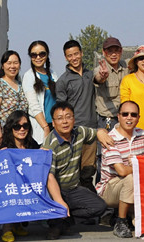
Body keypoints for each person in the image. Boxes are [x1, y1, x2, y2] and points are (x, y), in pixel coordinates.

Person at [42, 102, 108, 239]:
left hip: (73, 188)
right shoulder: (50, 145)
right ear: (53, 123)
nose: (65, 121)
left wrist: (102, 133)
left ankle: (66, 221)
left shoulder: (79, 132)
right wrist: (60, 201)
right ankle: (56, 222)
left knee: (99, 206)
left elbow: (96, 133)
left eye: (68, 117)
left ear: (74, 119)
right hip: (54, 190)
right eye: (59, 118)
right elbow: (49, 177)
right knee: (58, 209)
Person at [96, 101, 144, 238]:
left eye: (133, 114)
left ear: (138, 118)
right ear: (118, 117)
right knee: (130, 178)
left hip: (131, 186)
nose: (129, 117)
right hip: (109, 189)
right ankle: (121, 221)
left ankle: (134, 216)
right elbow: (122, 171)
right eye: (125, 114)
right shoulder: (110, 138)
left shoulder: (143, 135)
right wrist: (139, 165)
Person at [56, 40, 98, 190]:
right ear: (66, 58)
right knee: (73, 171)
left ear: (81, 53)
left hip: (92, 129)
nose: (74, 58)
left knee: (88, 170)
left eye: (76, 54)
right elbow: (61, 109)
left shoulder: (91, 75)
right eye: (70, 56)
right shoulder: (63, 81)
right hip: (74, 131)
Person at [0, 111, 41, 242]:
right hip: (8, 187)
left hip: (28, 184)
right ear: (10, 127)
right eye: (17, 126)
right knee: (12, 191)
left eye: (25, 126)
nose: (22, 129)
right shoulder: (4, 145)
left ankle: (17, 224)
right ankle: (7, 229)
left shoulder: (32, 144)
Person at [0, 50, 29, 141]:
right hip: (3, 136)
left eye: (15, 63)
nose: (12, 66)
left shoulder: (21, 85)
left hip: (19, 135)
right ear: (3, 66)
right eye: (9, 63)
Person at [22, 40, 56, 144]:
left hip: (56, 125)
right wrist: (45, 127)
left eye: (42, 54)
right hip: (41, 126)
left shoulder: (53, 74)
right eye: (34, 55)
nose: (38, 58)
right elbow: (33, 105)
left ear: (47, 55)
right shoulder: (29, 76)